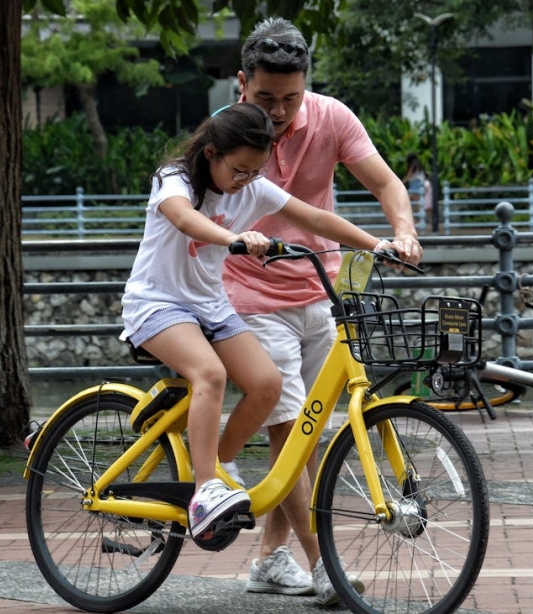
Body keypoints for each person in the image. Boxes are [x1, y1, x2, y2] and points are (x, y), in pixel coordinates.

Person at [119, 102, 400, 552]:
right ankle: (205, 491)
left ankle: (211, 465)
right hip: (157, 304)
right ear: (211, 152)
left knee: (267, 384)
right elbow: (182, 217)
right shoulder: (175, 179)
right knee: (209, 374)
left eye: (255, 172)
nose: (245, 181)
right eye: (239, 170)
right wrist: (232, 238)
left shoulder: (253, 188)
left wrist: (378, 244)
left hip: (209, 306)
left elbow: (316, 219)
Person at [217, 16, 423, 607]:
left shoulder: (332, 117)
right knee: (290, 431)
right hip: (249, 298)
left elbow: (386, 183)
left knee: (306, 439)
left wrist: (402, 232)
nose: (278, 112)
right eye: (265, 98)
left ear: (305, 86)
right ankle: (322, 562)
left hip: (320, 293)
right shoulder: (227, 131)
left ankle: (268, 560)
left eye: (290, 98)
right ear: (241, 84)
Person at [403, 152, 433, 234]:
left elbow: (409, 176)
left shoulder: (413, 165)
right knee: (417, 203)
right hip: (419, 184)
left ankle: (417, 220)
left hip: (416, 184)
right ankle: (419, 220)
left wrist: (401, 182)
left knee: (405, 201)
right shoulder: (418, 164)